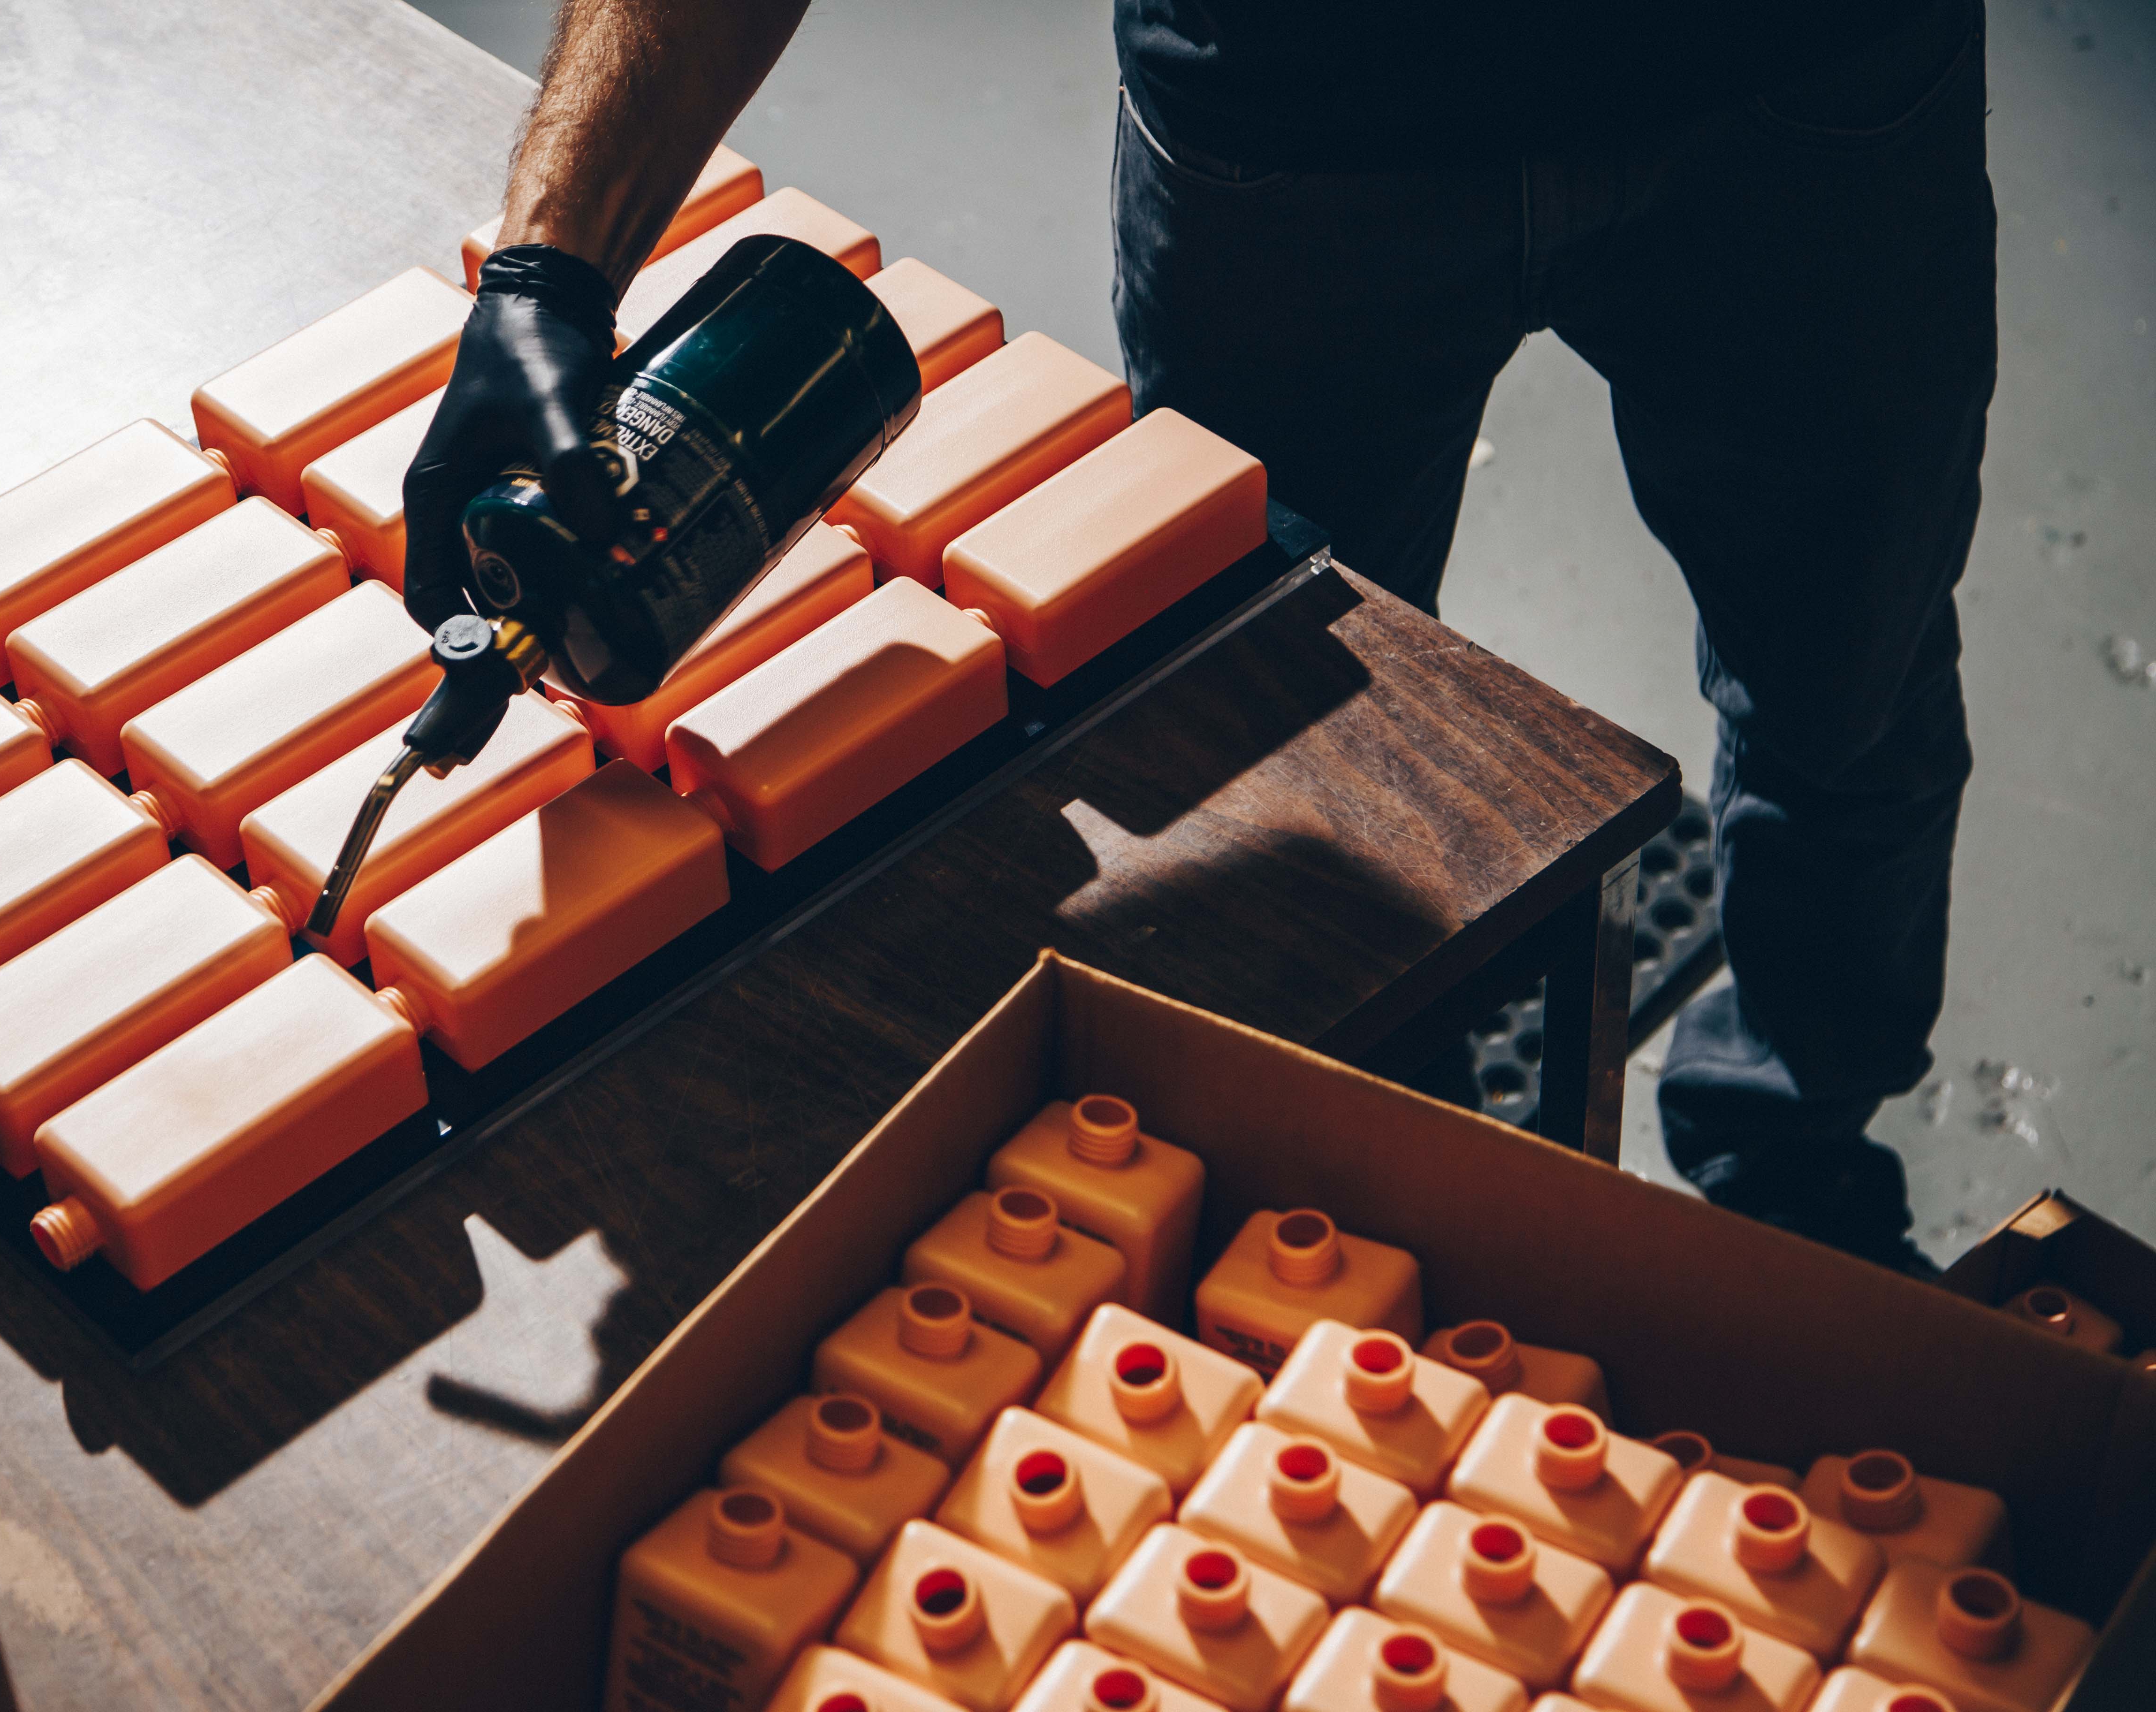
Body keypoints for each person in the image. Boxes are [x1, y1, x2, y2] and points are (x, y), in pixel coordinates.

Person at [402, 0, 1993, 1274]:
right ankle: (1381, 1237)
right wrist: (549, 267)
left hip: (1806, 87)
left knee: (1843, 693)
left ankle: (1799, 1178)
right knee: (1287, 733)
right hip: (1297, 131)